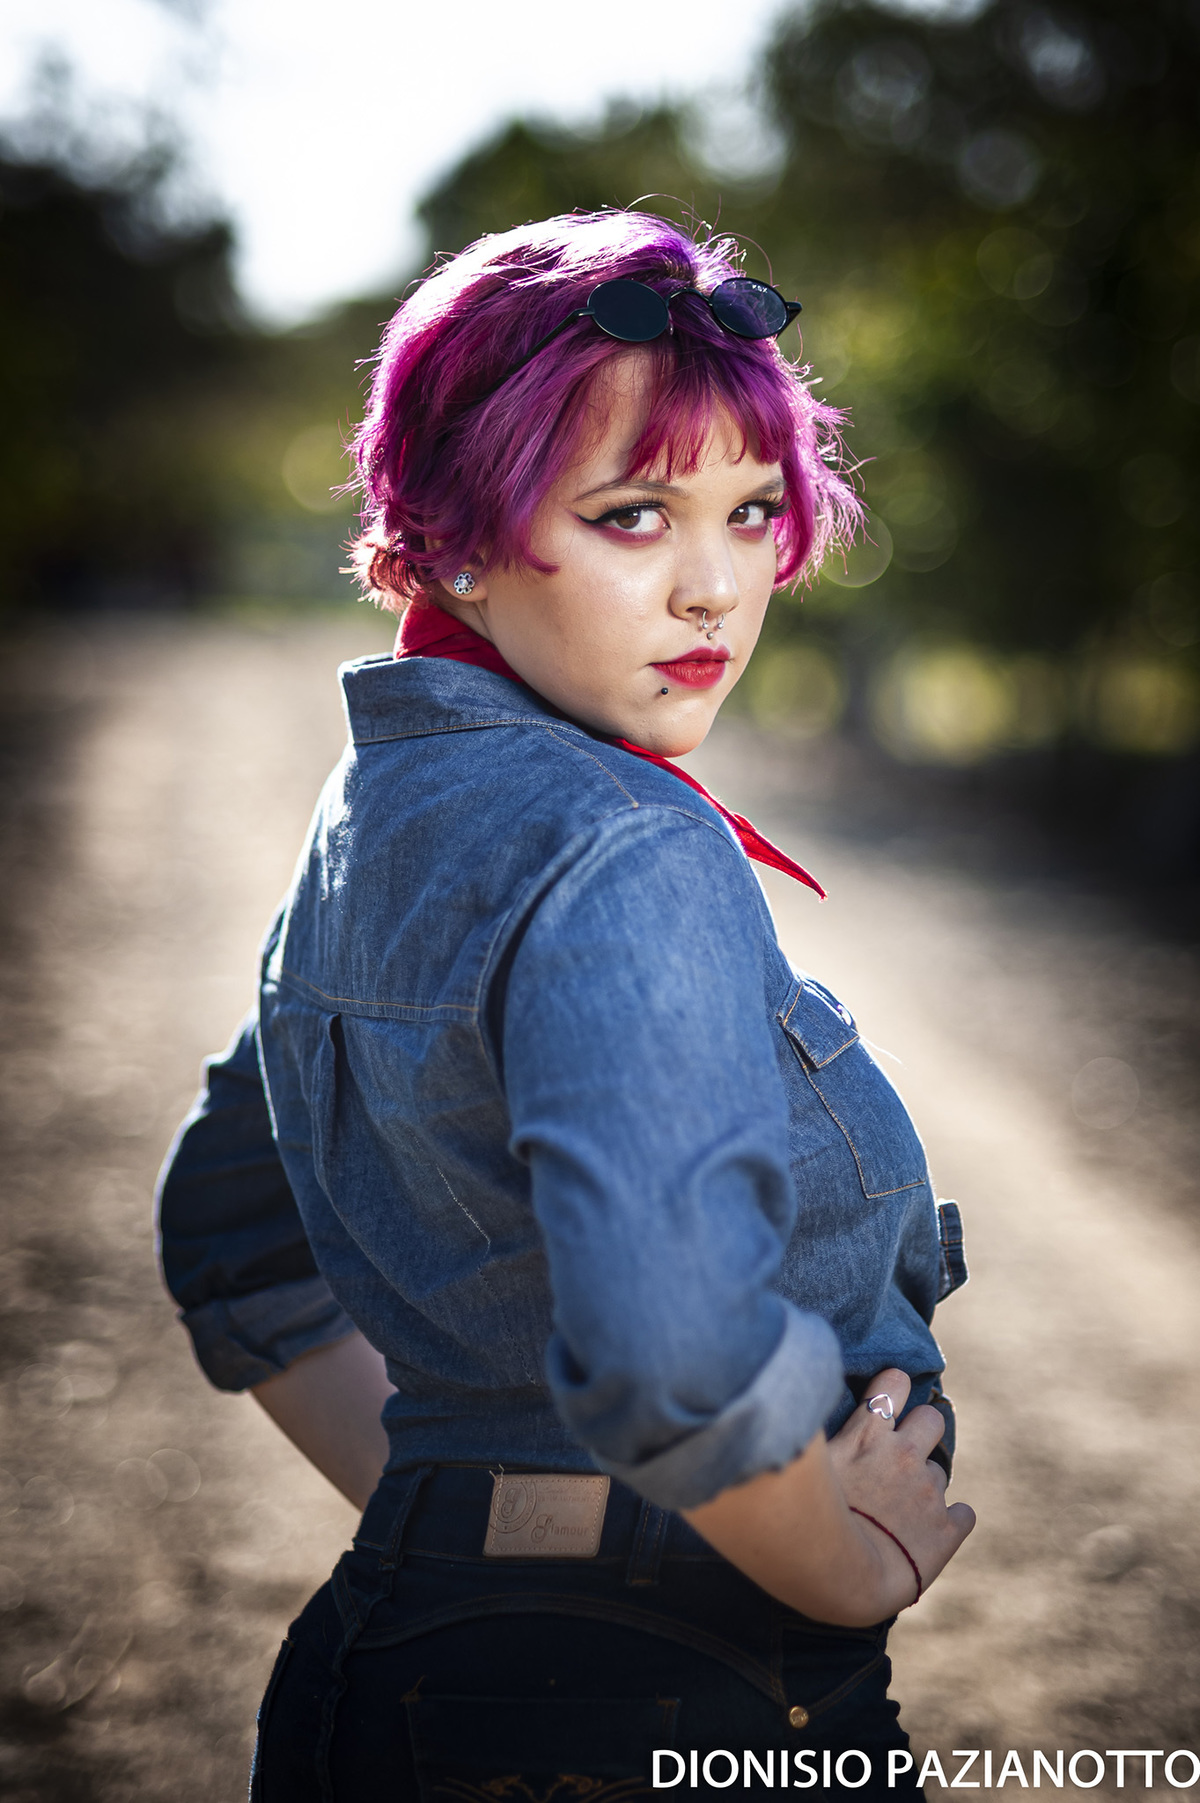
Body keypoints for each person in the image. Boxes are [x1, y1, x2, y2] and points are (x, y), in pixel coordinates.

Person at [156, 209, 974, 1800]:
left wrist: (457, 1515)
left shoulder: (377, 814)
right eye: (631, 515)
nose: (715, 588)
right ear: (453, 537)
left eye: (752, 511)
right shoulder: (622, 842)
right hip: (671, 1696)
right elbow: (673, 1349)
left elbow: (230, 1231)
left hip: (390, 1677)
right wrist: (831, 1567)